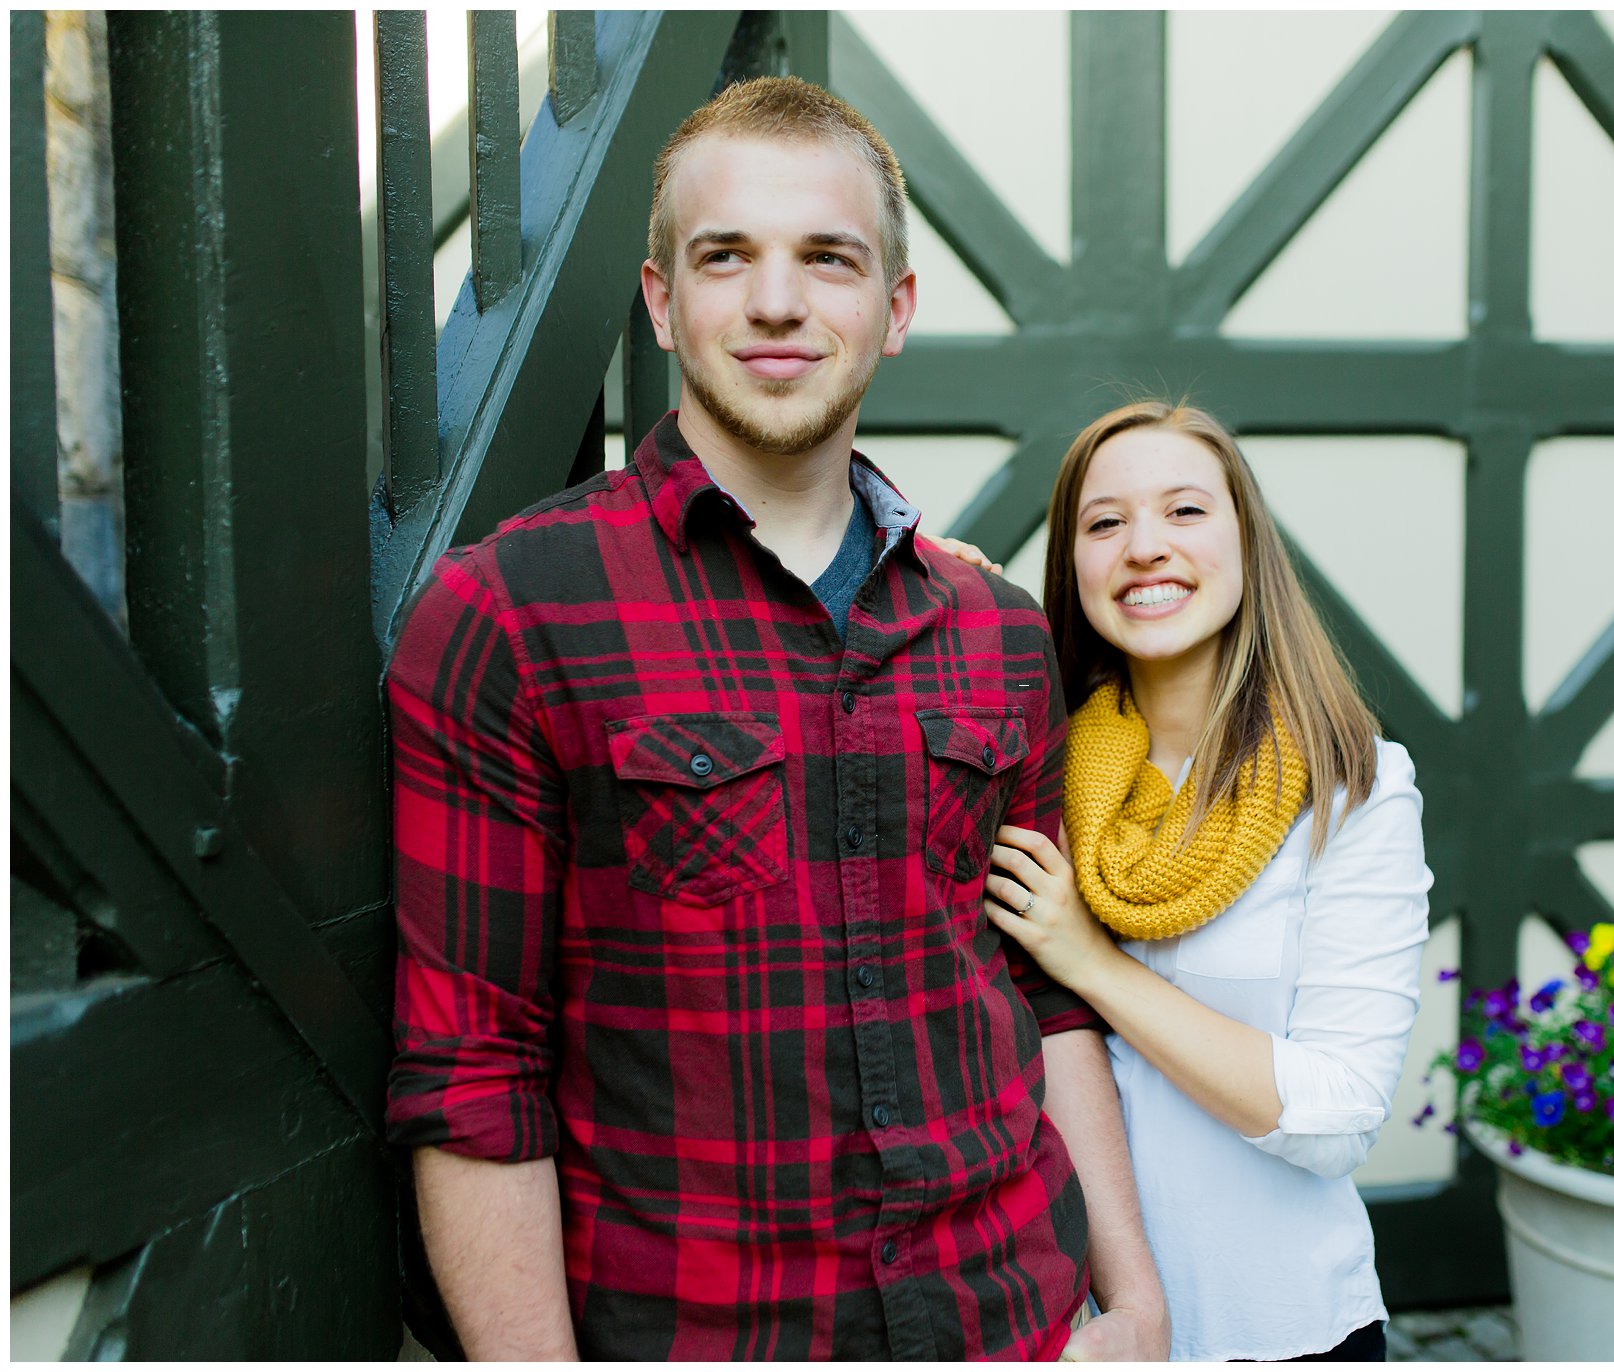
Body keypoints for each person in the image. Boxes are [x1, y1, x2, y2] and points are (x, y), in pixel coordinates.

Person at [384, 77, 1168, 1361]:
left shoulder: (1000, 631)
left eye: (828, 258)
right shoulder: (511, 616)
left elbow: (1044, 992)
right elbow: (470, 1072)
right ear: (660, 299)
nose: (776, 301)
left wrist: (1131, 1301)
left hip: (1004, 1315)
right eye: (724, 255)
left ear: (894, 307)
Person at [943, 400, 1432, 1361]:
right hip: (1066, 1328)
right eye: (1105, 522)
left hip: (1282, 1325)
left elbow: (1335, 1111)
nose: (1144, 547)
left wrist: (1093, 962)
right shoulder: (1031, 776)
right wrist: (944, 610)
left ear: (1248, 544)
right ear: (1071, 564)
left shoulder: (1351, 787)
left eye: (1185, 512)